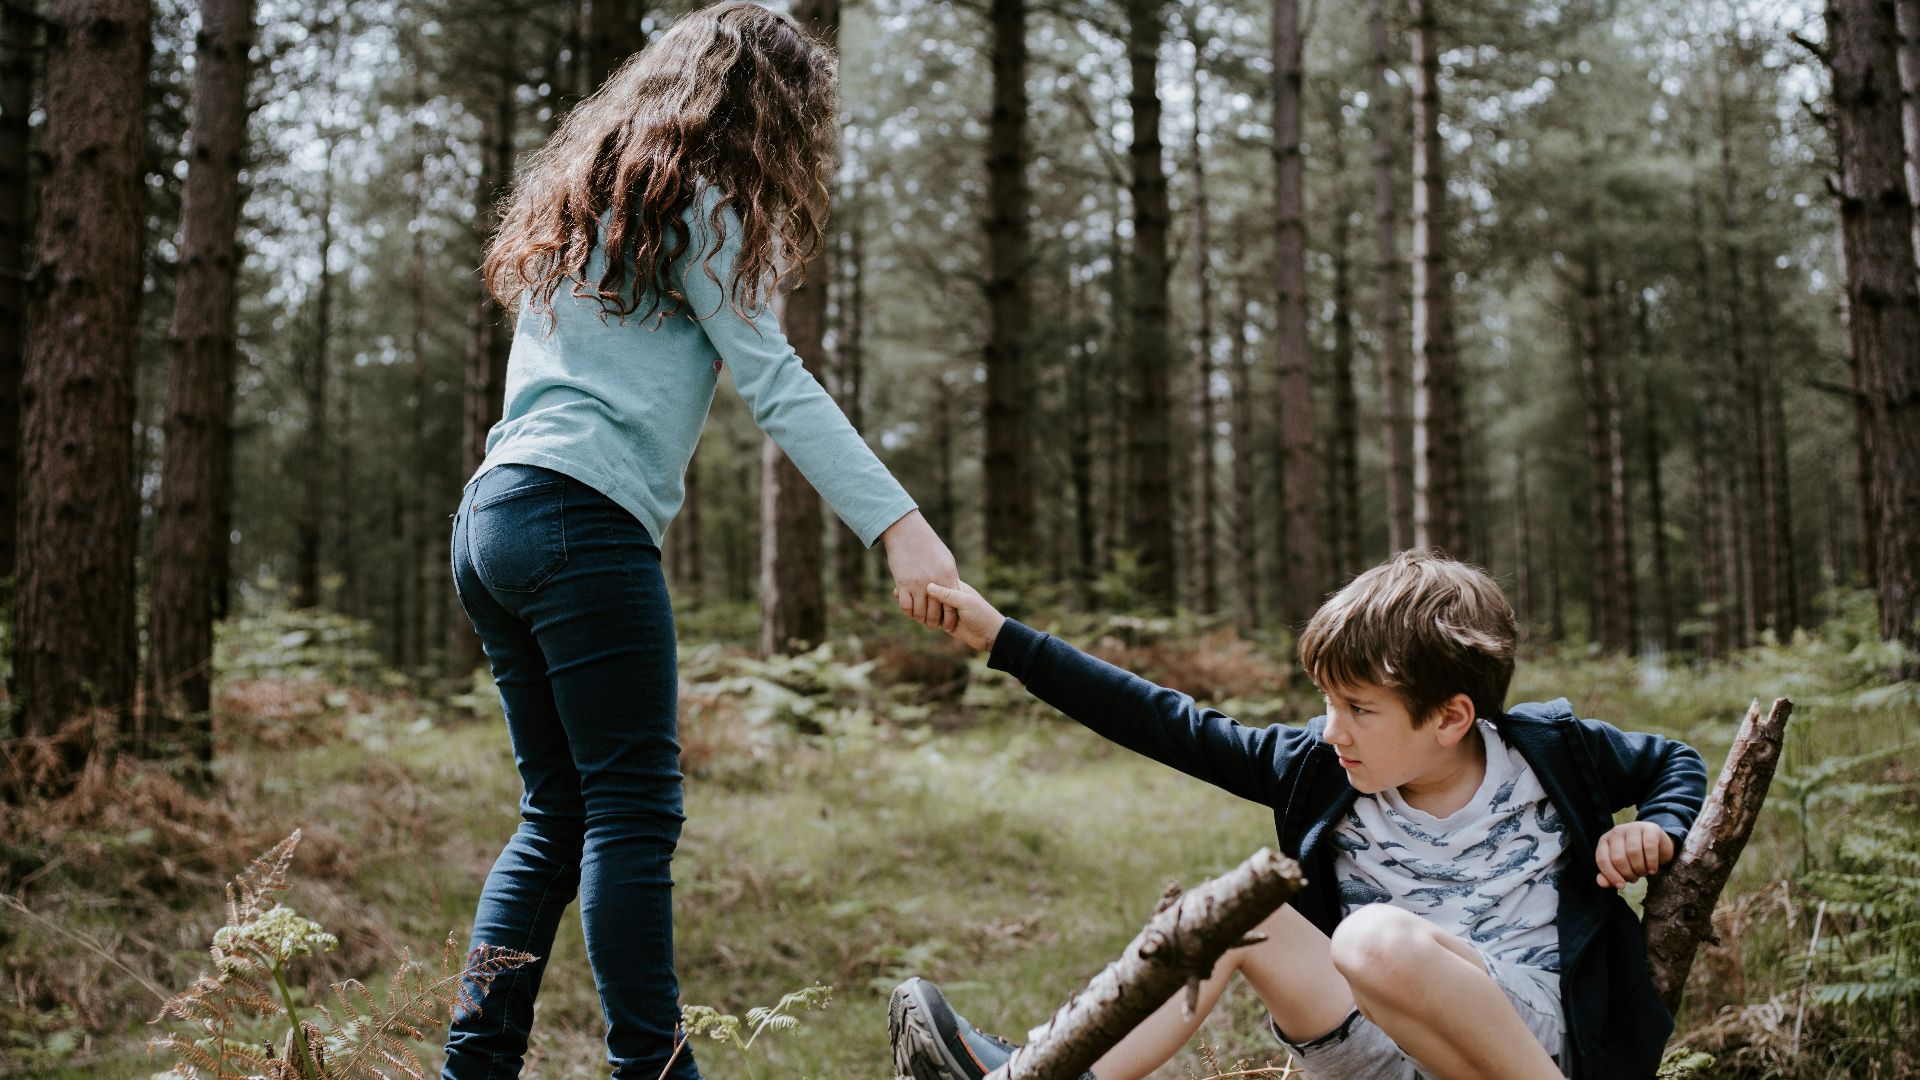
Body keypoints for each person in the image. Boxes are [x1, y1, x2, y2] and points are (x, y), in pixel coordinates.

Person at [441, 5, 958, 1077]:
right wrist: (901, 527)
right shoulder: (705, 204)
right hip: (581, 522)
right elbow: (778, 383)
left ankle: (473, 1065)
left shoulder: (589, 199)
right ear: (761, 112)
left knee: (557, 815)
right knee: (632, 810)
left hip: (493, 516)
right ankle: (652, 1068)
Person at [889, 550, 1706, 1080]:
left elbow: (1677, 761)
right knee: (1243, 915)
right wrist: (1002, 637)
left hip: (1518, 1050)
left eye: (1359, 708)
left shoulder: (1548, 753)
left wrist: (1656, 827)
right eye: (1326, 701)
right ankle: (1038, 1075)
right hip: (1369, 1047)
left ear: (1452, 718)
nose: (1330, 729)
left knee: (1372, 938)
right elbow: (1163, 721)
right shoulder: (1320, 767)